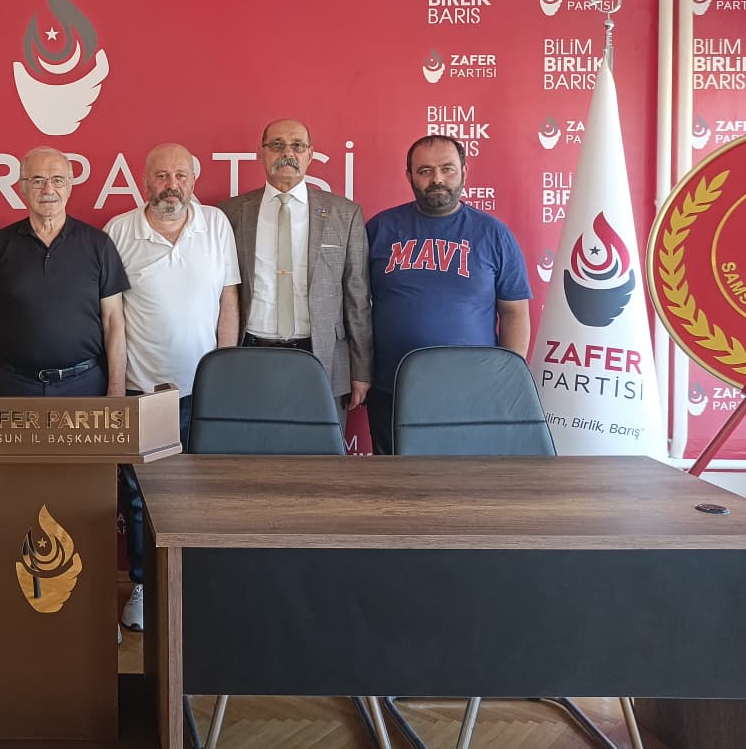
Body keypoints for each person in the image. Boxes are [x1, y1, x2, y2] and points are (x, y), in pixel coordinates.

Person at [105, 142, 240, 632]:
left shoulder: (216, 225)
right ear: (145, 181)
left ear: (193, 180)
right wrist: (116, 388)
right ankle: (145, 585)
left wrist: (223, 376)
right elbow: (110, 316)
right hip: (140, 390)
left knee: (199, 493)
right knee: (140, 497)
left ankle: (194, 583)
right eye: (161, 176)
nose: (171, 185)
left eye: (181, 175)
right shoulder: (120, 231)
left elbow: (228, 303)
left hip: (201, 391)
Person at [365, 134, 531, 454]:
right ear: (409, 176)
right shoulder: (380, 229)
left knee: (466, 478)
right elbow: (354, 306)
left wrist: (507, 378)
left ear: (464, 171)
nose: (437, 179)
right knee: (393, 480)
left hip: (473, 390)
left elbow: (514, 312)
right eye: (425, 171)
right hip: (392, 387)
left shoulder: (493, 233)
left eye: (447, 168)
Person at [219, 118, 372, 422]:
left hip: (321, 356)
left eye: (297, 146)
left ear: (310, 154)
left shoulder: (345, 214)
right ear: (261, 153)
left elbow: (357, 297)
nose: (287, 153)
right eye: (277, 145)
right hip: (251, 353)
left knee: (319, 448)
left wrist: (361, 369)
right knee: (251, 443)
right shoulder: (231, 213)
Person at [0, 146, 129, 398]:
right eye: (37, 180)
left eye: (57, 180)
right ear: (22, 187)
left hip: (84, 386)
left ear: (70, 186)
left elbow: (113, 321)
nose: (48, 189)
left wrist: (117, 391)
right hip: (14, 386)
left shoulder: (99, 245)